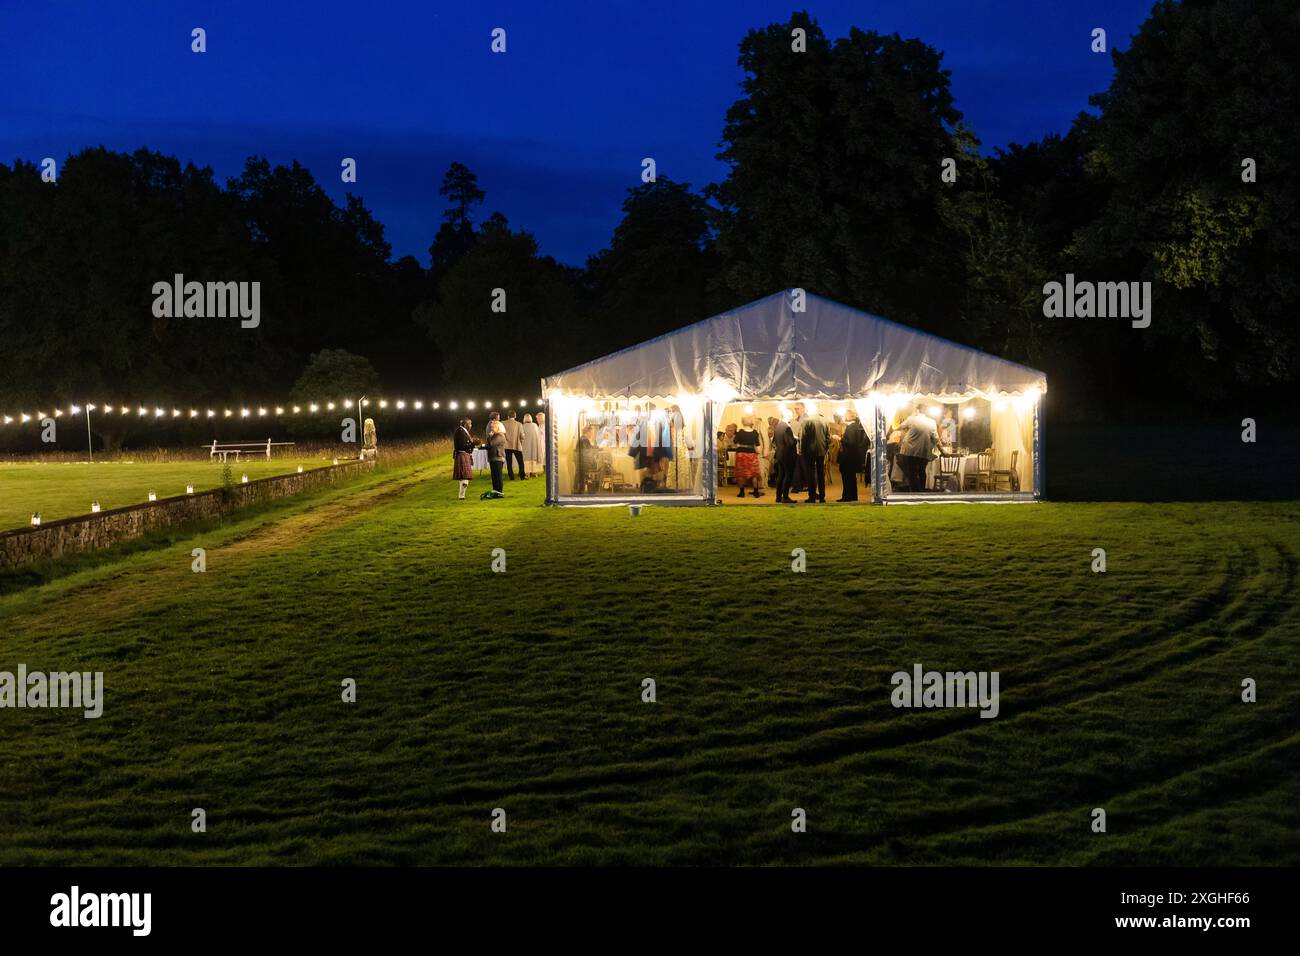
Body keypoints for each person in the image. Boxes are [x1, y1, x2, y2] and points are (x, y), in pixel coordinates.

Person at [899, 403, 939, 492]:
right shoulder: (931, 422)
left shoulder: (911, 419)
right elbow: (936, 438)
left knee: (912, 472)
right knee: (922, 471)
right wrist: (942, 450)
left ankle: (914, 491)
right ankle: (921, 491)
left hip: (910, 450)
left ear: (917, 409)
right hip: (924, 451)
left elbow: (900, 426)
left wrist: (911, 419)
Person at [799, 403, 830, 503]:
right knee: (821, 473)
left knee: (810, 473)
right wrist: (825, 449)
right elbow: (828, 437)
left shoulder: (806, 421)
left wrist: (801, 451)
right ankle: (822, 496)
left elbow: (802, 438)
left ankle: (811, 496)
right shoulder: (824, 421)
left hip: (809, 451)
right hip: (821, 451)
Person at [837, 411, 868, 501]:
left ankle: (847, 497)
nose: (843, 417)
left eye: (845, 415)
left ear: (849, 417)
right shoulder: (854, 427)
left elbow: (851, 442)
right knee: (851, 477)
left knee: (847, 477)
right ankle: (852, 496)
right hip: (852, 456)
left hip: (848, 457)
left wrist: (840, 439)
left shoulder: (851, 428)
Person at [731, 416, 764, 498]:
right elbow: (757, 444)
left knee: (741, 473)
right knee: (754, 473)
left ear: (743, 422)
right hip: (752, 454)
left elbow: (734, 442)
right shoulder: (755, 433)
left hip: (741, 454)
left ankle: (742, 492)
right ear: (751, 423)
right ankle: (756, 492)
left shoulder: (740, 432)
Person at [772, 414, 798, 503]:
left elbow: (774, 441)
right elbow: (790, 443)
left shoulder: (778, 426)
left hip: (779, 454)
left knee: (781, 476)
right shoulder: (787, 428)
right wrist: (796, 439)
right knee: (788, 475)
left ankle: (778, 496)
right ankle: (785, 497)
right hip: (787, 455)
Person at [453, 417, 475, 500]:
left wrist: (472, 443)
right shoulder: (460, 432)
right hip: (462, 454)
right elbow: (462, 445)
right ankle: (461, 496)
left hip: (464, 455)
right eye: (470, 424)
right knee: (464, 476)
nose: (471, 425)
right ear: (465, 424)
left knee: (464, 476)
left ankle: (461, 495)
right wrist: (473, 444)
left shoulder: (462, 431)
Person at [485, 419, 507, 496]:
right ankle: (495, 491)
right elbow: (488, 444)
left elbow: (491, 444)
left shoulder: (500, 435)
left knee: (498, 476)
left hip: (498, 457)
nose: (491, 428)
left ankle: (499, 492)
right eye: (491, 426)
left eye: (493, 426)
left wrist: (489, 436)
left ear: (498, 427)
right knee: (494, 476)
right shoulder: (494, 435)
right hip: (493, 457)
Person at [502, 410, 525, 480]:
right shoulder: (519, 424)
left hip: (507, 446)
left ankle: (511, 477)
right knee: (520, 462)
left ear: (508, 416)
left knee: (509, 462)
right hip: (517, 445)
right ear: (515, 416)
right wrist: (521, 442)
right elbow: (522, 436)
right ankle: (522, 476)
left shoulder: (502, 423)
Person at [521, 413, 542, 477]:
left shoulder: (522, 426)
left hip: (525, 446)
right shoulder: (535, 425)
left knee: (526, 458)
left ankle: (527, 473)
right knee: (534, 457)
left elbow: (521, 436)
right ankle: (534, 472)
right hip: (534, 445)